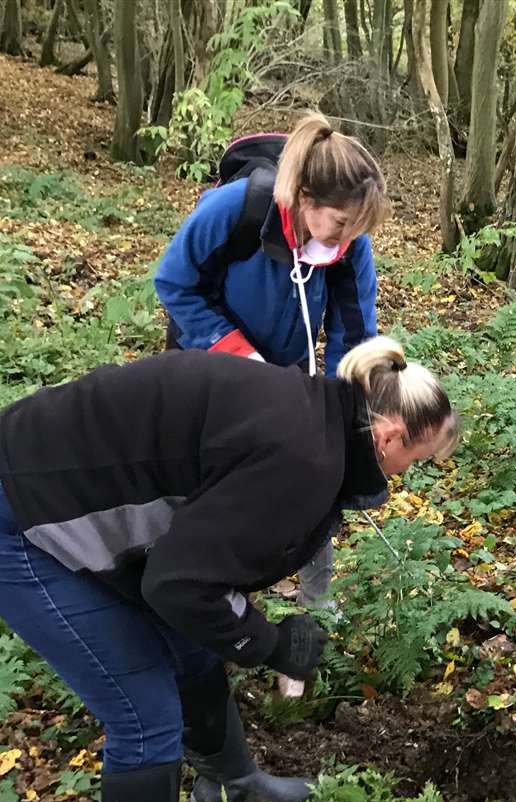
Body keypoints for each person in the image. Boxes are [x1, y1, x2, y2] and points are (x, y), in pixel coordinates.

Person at [0, 338, 455, 802]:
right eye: (415, 462)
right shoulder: (304, 456)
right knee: (143, 713)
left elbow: (197, 566)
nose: (402, 480)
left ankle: (234, 782)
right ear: (389, 435)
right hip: (15, 511)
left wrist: (250, 630)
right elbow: (181, 585)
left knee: (188, 648)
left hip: (59, 484)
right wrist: (272, 644)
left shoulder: (318, 422)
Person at [155, 112, 389, 633]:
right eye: (340, 223)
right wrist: (234, 351)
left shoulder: (349, 246)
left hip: (288, 372)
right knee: (208, 480)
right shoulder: (235, 209)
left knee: (313, 469)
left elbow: (355, 332)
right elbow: (175, 284)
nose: (348, 238)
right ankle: (189, 595)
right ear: (305, 198)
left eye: (358, 228)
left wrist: (343, 411)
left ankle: (316, 603)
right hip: (207, 370)